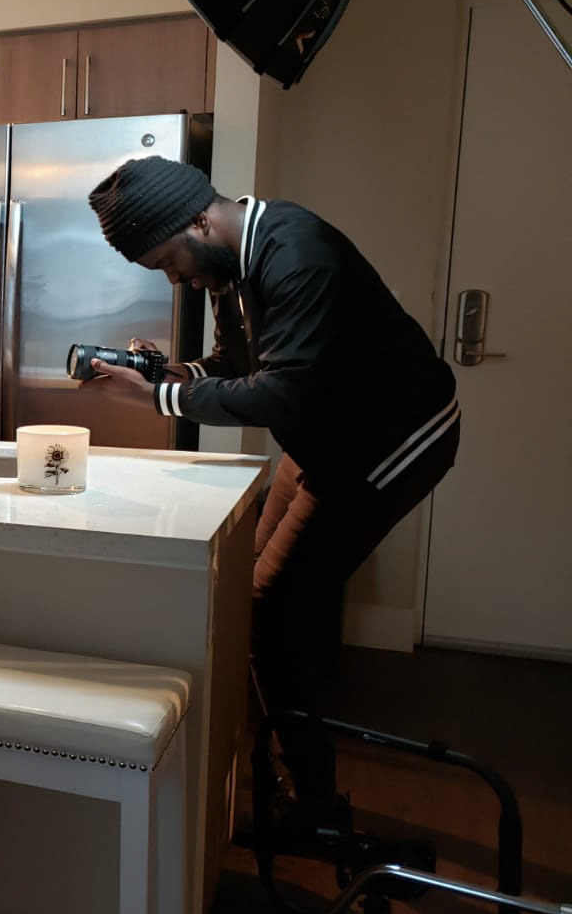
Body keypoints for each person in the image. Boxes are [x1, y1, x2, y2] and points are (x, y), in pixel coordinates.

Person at [81, 156, 459, 823]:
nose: (175, 279)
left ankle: (316, 808)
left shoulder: (297, 254)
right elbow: (236, 364)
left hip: (392, 439)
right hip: (322, 434)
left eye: (168, 262)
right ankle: (277, 766)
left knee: (273, 608)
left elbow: (282, 394)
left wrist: (159, 399)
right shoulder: (227, 267)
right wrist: (165, 373)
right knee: (246, 588)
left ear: (198, 222)